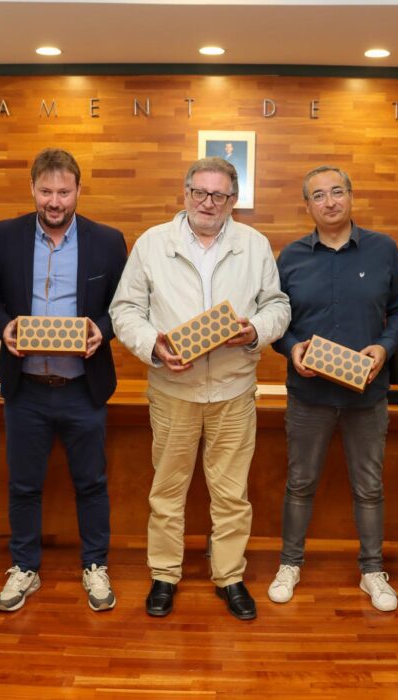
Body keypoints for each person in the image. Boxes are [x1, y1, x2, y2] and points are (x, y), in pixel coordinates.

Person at [110, 157, 290, 620]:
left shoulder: (254, 245)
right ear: (185, 193)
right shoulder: (153, 243)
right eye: (199, 192)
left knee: (232, 495)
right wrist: (154, 346)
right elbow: (125, 310)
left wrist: (254, 332)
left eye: (219, 195)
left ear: (233, 201)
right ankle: (164, 575)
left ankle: (229, 576)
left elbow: (278, 305)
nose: (208, 202)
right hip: (173, 391)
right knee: (166, 492)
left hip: (233, 392)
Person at [0, 148, 128, 613]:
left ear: (78, 191)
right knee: (23, 485)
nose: (54, 201)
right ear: (32, 189)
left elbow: (123, 307)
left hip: (82, 389)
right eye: (46, 191)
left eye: (63, 191)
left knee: (91, 482)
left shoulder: (108, 241)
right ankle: (24, 567)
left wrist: (100, 331)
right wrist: (3, 326)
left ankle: (95, 565)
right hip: (24, 388)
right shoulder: (4, 236)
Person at [267, 165, 398, 612]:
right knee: (299, 483)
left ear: (350, 196)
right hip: (308, 397)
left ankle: (372, 570)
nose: (329, 202)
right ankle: (289, 564)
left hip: (366, 397)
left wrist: (385, 350)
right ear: (307, 205)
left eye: (336, 192)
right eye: (318, 196)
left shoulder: (383, 249)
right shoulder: (290, 257)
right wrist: (291, 350)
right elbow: (275, 321)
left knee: (369, 487)